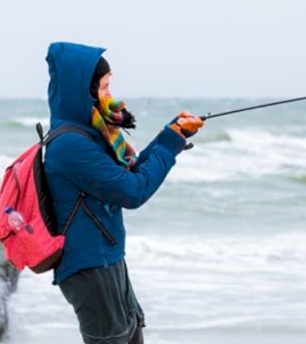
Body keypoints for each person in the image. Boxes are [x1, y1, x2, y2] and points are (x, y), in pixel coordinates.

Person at [43, 42, 203, 344]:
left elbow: (128, 175)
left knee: (132, 336)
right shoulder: (70, 145)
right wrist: (170, 143)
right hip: (90, 266)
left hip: (108, 258)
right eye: (104, 87)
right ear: (84, 90)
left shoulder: (90, 133)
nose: (110, 95)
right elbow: (133, 192)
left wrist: (172, 134)